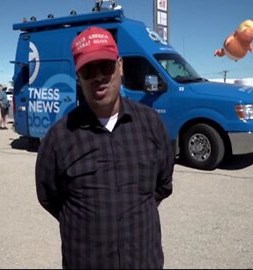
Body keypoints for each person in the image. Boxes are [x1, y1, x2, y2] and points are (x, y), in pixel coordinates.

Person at [35, 26, 174, 269]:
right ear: (78, 76)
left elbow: (162, 185)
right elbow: (49, 197)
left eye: (106, 66)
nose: (98, 76)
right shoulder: (59, 138)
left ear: (120, 66)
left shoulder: (151, 124)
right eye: (88, 70)